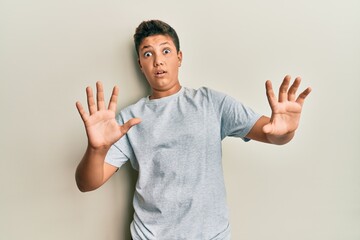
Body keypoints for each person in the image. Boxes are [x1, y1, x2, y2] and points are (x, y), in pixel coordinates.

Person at [75, 20, 311, 240]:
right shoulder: (129, 119)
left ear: (179, 57)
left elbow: (272, 134)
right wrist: (96, 149)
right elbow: (87, 183)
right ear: (140, 64)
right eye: (148, 54)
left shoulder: (212, 103)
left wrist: (285, 131)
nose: (158, 60)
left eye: (165, 51)